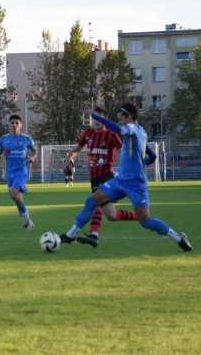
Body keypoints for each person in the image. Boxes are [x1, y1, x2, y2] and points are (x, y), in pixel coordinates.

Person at [60, 102, 192, 252]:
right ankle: (71, 234)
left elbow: (118, 129)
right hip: (120, 180)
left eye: (121, 117)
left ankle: (179, 238)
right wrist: (142, 162)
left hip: (136, 184)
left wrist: (95, 116)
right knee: (91, 201)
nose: (119, 120)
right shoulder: (141, 132)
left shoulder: (131, 128)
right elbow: (153, 155)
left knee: (145, 221)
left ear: (128, 116)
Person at [61, 107, 151, 247]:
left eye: (99, 117)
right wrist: (69, 159)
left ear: (104, 118)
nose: (96, 120)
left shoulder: (112, 135)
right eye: (94, 117)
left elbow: (129, 147)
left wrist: (138, 161)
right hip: (94, 178)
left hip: (107, 175)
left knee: (95, 203)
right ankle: (140, 217)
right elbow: (77, 149)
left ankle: (83, 235)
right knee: (111, 215)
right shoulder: (88, 133)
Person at [0, 114, 37, 230]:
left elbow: (34, 151)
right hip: (9, 173)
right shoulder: (4, 139)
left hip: (21, 171)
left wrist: (32, 158)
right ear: (9, 125)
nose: (14, 125)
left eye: (16, 123)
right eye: (12, 123)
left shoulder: (26, 138)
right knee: (17, 197)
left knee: (13, 193)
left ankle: (25, 214)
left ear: (20, 125)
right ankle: (28, 221)